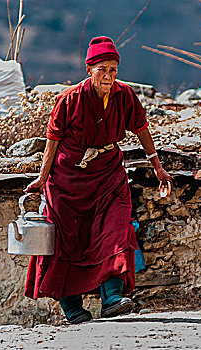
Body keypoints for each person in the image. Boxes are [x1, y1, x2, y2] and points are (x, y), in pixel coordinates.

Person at [23, 36, 172, 324]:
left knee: (116, 228)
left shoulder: (124, 95)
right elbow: (52, 140)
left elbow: (141, 128)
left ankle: (113, 299)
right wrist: (42, 179)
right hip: (67, 180)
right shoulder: (69, 99)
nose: (108, 76)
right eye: (102, 69)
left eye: (113, 69)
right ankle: (73, 308)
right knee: (67, 241)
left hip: (108, 174)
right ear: (89, 69)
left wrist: (158, 167)